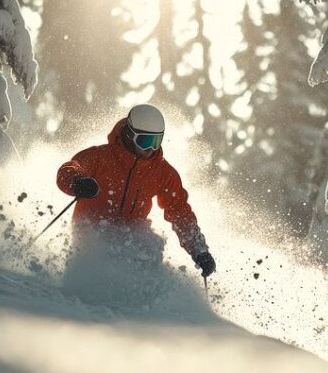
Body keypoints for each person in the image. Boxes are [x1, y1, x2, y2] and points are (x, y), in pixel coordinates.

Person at [56, 104, 216, 278]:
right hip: (93, 230)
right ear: (130, 134)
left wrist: (199, 251)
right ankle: (88, 285)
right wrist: (77, 182)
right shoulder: (101, 156)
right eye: (145, 141)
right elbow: (70, 169)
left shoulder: (162, 172)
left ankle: (141, 298)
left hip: (129, 235)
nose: (151, 149)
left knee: (149, 247)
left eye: (156, 142)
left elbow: (179, 210)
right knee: (98, 259)